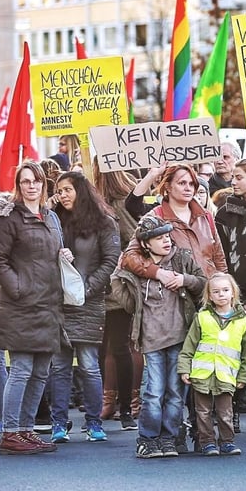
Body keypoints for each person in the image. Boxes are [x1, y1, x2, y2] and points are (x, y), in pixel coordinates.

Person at [0, 161, 65, 455]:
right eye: (25, 181)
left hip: (49, 303)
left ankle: (25, 429)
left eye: (36, 181)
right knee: (21, 369)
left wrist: (64, 256)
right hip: (21, 304)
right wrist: (18, 288)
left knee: (41, 371)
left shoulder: (51, 217)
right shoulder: (9, 218)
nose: (31, 186)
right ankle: (10, 432)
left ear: (44, 183)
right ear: (18, 186)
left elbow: (49, 253)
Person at [116, 215, 205, 459]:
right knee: (153, 392)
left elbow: (203, 283)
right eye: (158, 238)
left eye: (167, 236)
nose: (166, 241)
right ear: (145, 244)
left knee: (176, 393)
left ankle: (169, 437)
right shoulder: (137, 267)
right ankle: (148, 439)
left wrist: (185, 280)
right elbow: (121, 289)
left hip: (180, 337)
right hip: (151, 339)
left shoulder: (182, 258)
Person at [48, 171, 121, 444]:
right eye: (59, 191)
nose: (63, 195)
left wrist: (87, 289)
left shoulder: (103, 222)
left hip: (89, 302)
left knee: (89, 365)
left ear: (81, 190)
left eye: (67, 189)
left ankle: (93, 422)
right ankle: (59, 423)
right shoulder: (53, 220)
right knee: (59, 367)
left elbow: (111, 259)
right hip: (59, 302)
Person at [178, 272, 246, 456]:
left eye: (225, 290)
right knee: (202, 412)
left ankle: (227, 441)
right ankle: (207, 442)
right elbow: (189, 345)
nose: (221, 294)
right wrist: (184, 368)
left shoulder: (244, 322)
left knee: (225, 412)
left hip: (226, 375)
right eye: (216, 291)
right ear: (209, 296)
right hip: (201, 374)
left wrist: (244, 376)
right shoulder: (201, 317)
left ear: (233, 293)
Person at [214, 158, 246, 426]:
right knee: (232, 345)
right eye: (233, 177)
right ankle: (231, 407)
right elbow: (221, 251)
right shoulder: (225, 212)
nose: (233, 182)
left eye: (239, 177)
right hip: (235, 282)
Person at [92, 162, 141, 429]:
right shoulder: (94, 202)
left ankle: (124, 406)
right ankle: (116, 404)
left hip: (115, 283)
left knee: (119, 346)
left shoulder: (121, 202)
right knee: (110, 347)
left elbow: (132, 238)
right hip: (101, 283)